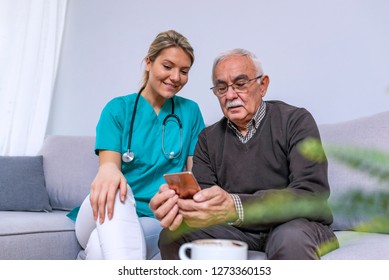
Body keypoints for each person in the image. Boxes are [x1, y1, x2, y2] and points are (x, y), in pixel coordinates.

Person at [150, 48, 339, 260]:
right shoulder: (207, 139)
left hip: (295, 224)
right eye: (221, 88)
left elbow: (311, 193)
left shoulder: (295, 121)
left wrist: (235, 206)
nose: (230, 95)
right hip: (239, 230)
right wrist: (180, 206)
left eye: (240, 84)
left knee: (289, 238)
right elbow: (205, 202)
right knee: (172, 235)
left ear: (263, 85)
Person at [72, 30, 205, 259]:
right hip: (102, 211)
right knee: (115, 187)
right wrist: (109, 171)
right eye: (167, 66)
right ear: (148, 63)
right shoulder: (117, 109)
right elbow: (108, 168)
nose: (176, 77)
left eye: (184, 71)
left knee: (97, 247)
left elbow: (196, 176)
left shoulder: (190, 112)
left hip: (154, 217)